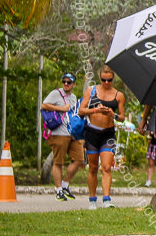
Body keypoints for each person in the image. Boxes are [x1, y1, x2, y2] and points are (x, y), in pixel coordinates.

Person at [78, 66, 126, 209]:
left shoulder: (118, 95)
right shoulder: (91, 91)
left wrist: (113, 115)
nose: (106, 83)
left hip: (108, 134)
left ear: (113, 79)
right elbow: (81, 110)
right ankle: (92, 200)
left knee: (106, 167)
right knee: (93, 168)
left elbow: (122, 117)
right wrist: (95, 110)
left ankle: (107, 199)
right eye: (104, 80)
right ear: (100, 78)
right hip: (92, 133)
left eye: (109, 80)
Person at [41, 72, 85, 201]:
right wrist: (60, 108)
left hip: (72, 133)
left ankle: (65, 185)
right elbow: (44, 105)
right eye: (64, 81)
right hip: (59, 133)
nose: (66, 84)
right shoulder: (56, 93)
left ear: (74, 84)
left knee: (79, 159)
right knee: (58, 162)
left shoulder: (74, 97)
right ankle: (58, 189)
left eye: (69, 82)